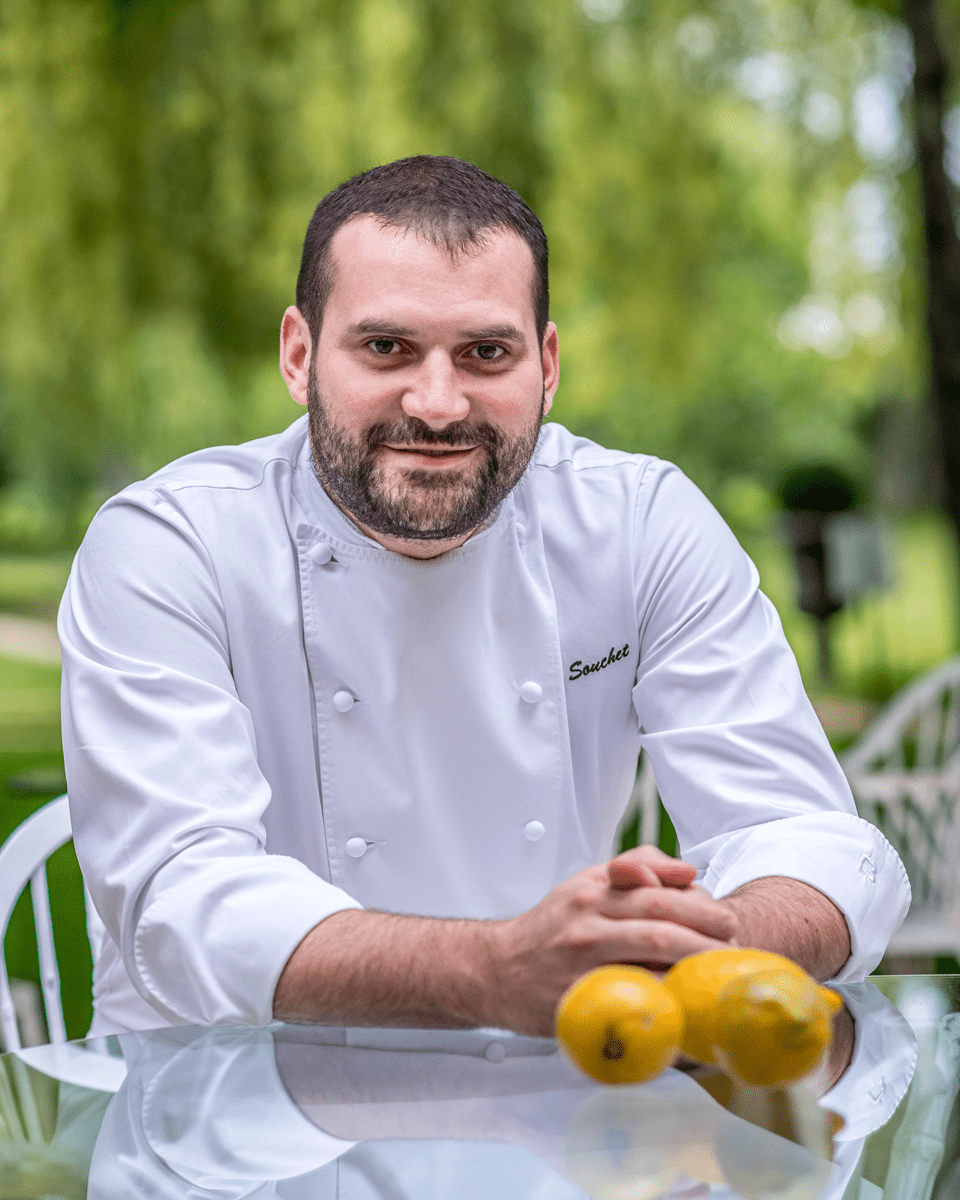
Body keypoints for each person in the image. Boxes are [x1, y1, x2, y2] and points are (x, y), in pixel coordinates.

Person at [59, 155, 909, 1039]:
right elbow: (182, 901)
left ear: (545, 366)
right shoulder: (172, 544)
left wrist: (707, 947)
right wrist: (496, 971)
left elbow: (809, 833)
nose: (436, 404)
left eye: (485, 352)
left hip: (548, 1111)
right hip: (221, 1126)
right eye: (385, 347)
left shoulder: (638, 522)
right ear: (299, 354)